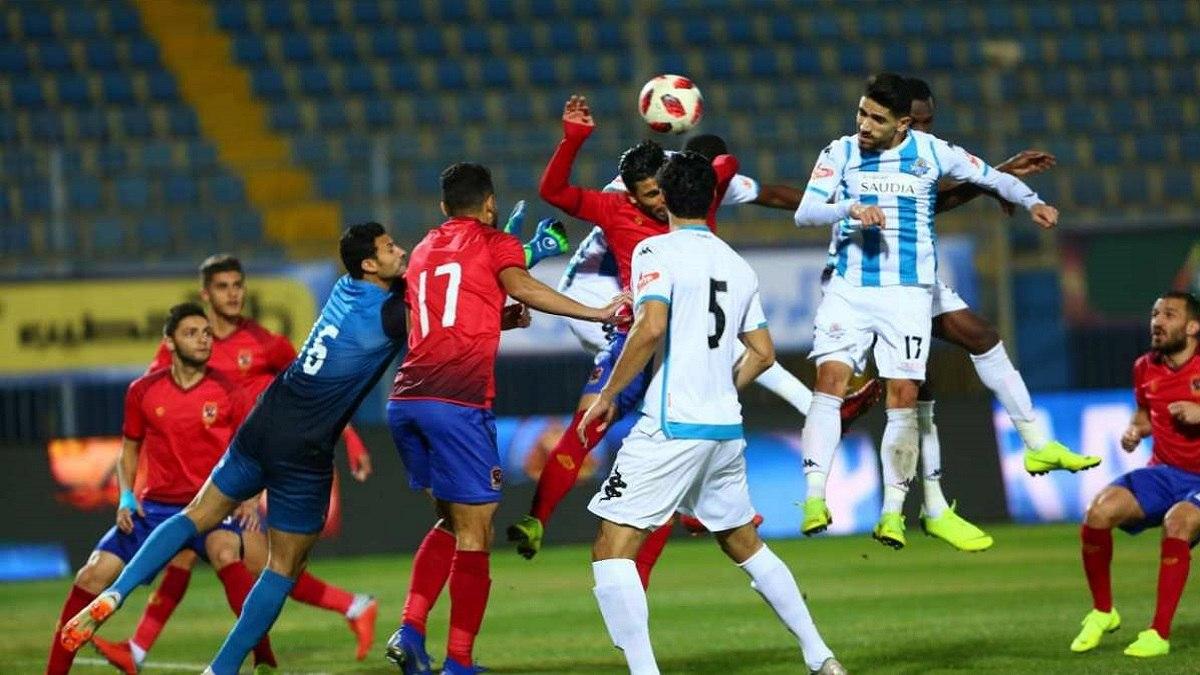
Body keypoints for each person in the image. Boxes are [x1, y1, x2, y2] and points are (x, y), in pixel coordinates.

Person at [61, 223, 410, 674]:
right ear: (369, 264)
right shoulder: (392, 312)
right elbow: (436, 307)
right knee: (283, 567)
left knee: (196, 519)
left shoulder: (344, 288)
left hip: (260, 424)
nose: (401, 251)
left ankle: (116, 594)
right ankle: (222, 668)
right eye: (390, 247)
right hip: (304, 445)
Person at [581, 152, 844, 675]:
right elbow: (762, 352)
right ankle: (821, 656)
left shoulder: (655, 249)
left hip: (672, 424)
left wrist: (608, 392)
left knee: (611, 549)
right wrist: (722, 387)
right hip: (723, 427)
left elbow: (650, 326)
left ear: (664, 197)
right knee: (745, 542)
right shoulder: (735, 263)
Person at [793, 73, 1065, 549]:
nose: (864, 125)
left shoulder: (932, 152)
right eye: (861, 113)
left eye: (877, 119)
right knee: (830, 382)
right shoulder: (839, 151)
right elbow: (805, 212)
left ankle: (893, 513)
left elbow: (990, 177)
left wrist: (1032, 202)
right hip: (850, 288)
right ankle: (814, 497)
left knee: (905, 395)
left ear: (902, 124)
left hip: (909, 294)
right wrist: (850, 209)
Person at [384, 162, 626, 674]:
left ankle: (411, 630)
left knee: (450, 521)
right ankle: (459, 662)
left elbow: (430, 321)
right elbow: (525, 286)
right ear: (490, 204)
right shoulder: (496, 243)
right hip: (458, 404)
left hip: (407, 400)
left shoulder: (424, 249)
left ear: (444, 207)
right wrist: (598, 312)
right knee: (476, 534)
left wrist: (496, 319)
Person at [891, 77, 1089, 552]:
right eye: (917, 122)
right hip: (878, 285)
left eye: (930, 122)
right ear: (897, 120)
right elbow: (935, 200)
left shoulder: (927, 151)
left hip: (918, 278)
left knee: (981, 338)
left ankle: (1035, 444)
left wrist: (1001, 180)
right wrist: (990, 180)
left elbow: (937, 198)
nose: (924, 130)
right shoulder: (868, 155)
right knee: (911, 392)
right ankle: (916, 507)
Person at [47, 303, 277, 674]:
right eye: (192, 333)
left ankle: (263, 657)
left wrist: (250, 498)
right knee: (91, 575)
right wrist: (125, 497)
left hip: (211, 507)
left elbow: (253, 450)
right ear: (169, 342)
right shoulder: (143, 391)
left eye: (207, 333)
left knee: (225, 552)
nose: (203, 340)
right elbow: (128, 451)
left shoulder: (229, 391)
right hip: (156, 510)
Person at [1071, 291, 1200, 658]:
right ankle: (1103, 611)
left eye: (1169, 314)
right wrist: (1134, 430)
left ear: (1193, 327)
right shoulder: (1144, 367)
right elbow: (1144, 415)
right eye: (1155, 314)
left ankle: (1158, 633)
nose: (1157, 321)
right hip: (1164, 472)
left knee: (1178, 522)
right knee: (1098, 511)